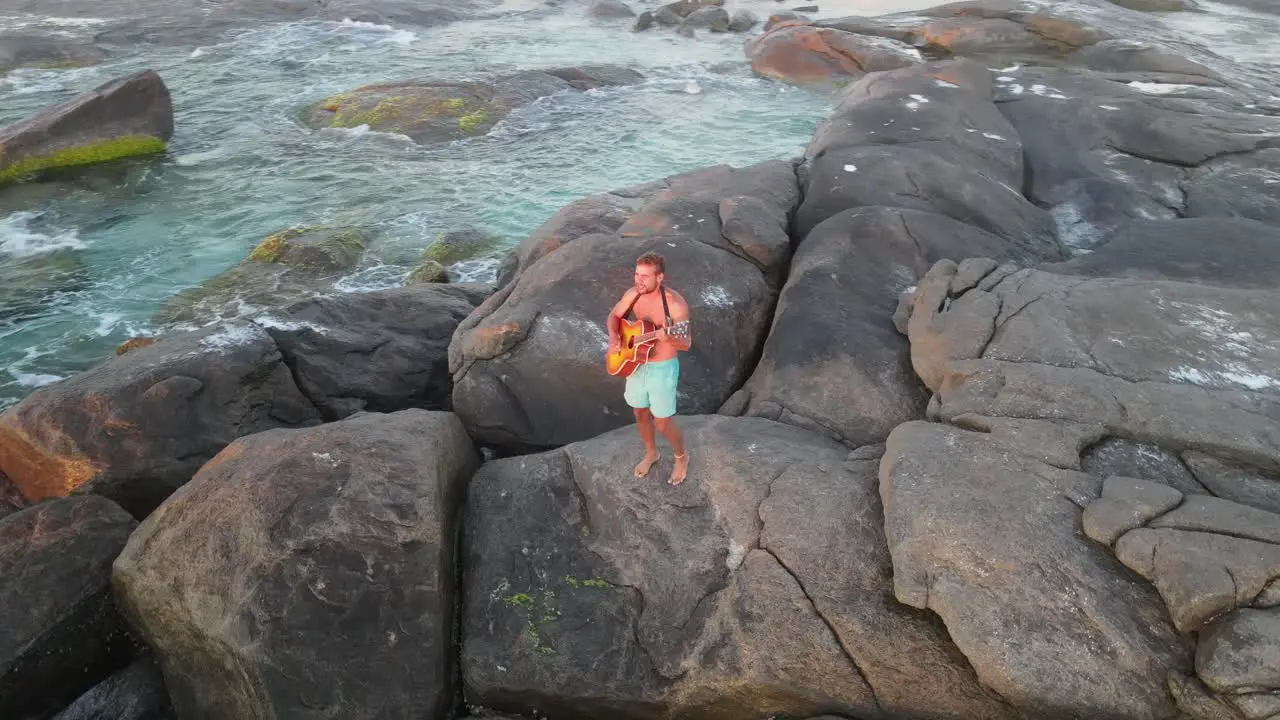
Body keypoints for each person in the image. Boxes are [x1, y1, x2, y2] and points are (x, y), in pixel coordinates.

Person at [606, 252, 692, 485]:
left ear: (660, 277)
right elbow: (614, 316)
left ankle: (681, 457)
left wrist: (668, 337)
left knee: (662, 422)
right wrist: (615, 338)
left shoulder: (674, 304)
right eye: (636, 274)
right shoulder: (633, 294)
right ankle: (651, 453)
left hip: (662, 368)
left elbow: (685, 343)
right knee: (639, 412)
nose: (638, 280)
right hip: (636, 363)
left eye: (645, 276)